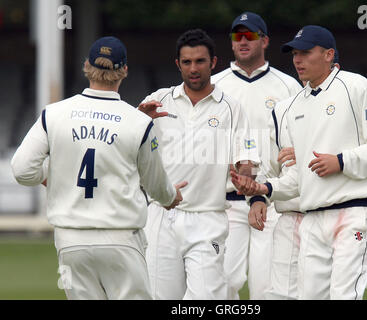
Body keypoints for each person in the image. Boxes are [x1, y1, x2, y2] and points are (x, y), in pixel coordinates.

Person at [231, 25, 367, 300]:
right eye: (295, 54)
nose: (298, 60)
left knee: (344, 295)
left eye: (306, 52)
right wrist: (264, 190)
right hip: (312, 216)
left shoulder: (357, 86)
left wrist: (342, 162)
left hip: (355, 210)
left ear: (328, 54)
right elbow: (301, 176)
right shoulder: (295, 106)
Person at [10, 36, 184, 300]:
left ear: (86, 66)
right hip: (121, 239)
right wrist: (172, 197)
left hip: (70, 241)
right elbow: (157, 186)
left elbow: (22, 170)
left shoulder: (53, 113)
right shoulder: (138, 122)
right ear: (124, 70)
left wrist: (53, 177)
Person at [138, 29, 260, 300]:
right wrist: (138, 121)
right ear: (178, 64)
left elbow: (247, 158)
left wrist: (246, 176)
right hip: (161, 215)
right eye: (187, 62)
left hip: (208, 217)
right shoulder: (158, 101)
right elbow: (126, 150)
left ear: (213, 62)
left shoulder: (231, 107)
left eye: (200, 61)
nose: (194, 69)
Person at [211, 11, 302, 300]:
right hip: (227, 200)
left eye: (250, 35)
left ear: (265, 41)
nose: (243, 41)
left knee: (268, 288)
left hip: (272, 199)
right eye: (237, 36)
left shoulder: (288, 86)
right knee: (223, 283)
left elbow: (302, 133)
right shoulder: (215, 85)